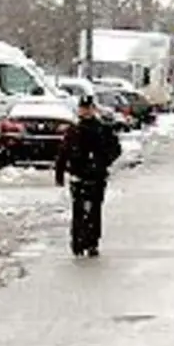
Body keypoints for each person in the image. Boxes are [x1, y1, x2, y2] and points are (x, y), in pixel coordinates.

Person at [54, 95, 123, 257]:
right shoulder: (74, 130)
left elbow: (115, 149)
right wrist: (60, 172)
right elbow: (63, 153)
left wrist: (103, 161)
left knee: (94, 210)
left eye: (88, 108)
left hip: (96, 176)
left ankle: (92, 242)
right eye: (83, 108)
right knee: (78, 210)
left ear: (94, 109)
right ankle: (78, 241)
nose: (85, 111)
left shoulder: (103, 129)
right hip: (78, 176)